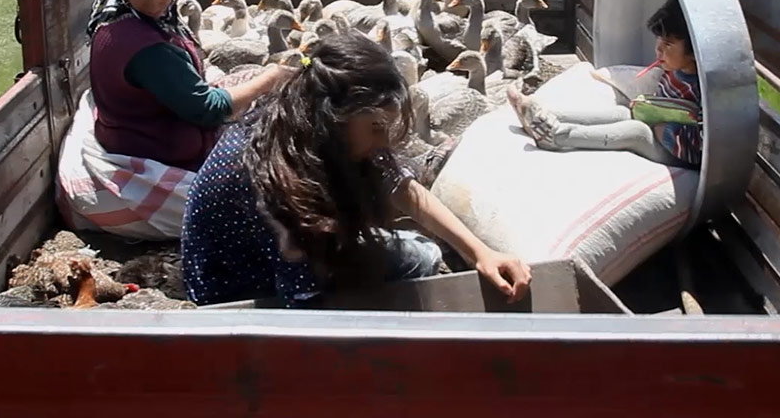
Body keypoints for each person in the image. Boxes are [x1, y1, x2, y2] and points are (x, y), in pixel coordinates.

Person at [181, 31, 533, 307]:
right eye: (376, 128)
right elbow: (302, 309)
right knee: (420, 257)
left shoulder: (298, 118)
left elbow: (399, 183)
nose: (383, 142)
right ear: (334, 116)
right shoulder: (273, 182)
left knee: (416, 247)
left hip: (273, 262)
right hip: (234, 294)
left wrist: (480, 252)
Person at [80, 0, 291, 171]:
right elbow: (209, 110)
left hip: (118, 127)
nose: (154, 6)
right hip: (155, 150)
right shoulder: (149, 50)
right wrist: (272, 77)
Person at [506, 0, 703, 168]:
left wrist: (666, 132)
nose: (658, 50)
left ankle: (557, 136)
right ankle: (544, 116)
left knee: (637, 132)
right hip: (657, 128)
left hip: (677, 154)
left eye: (668, 45)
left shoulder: (704, 90)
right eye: (658, 41)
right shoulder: (672, 71)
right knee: (624, 112)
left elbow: (704, 145)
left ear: (695, 50)